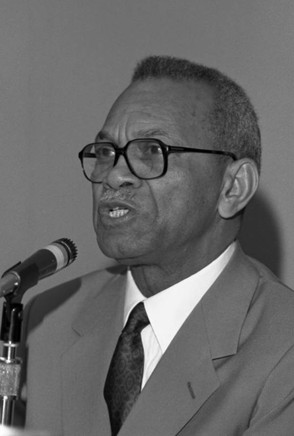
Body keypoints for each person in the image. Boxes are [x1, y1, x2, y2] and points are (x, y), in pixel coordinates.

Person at [20, 56, 294, 435]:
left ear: (233, 187)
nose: (114, 176)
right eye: (104, 152)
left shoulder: (283, 347)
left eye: (151, 152)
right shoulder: (49, 318)